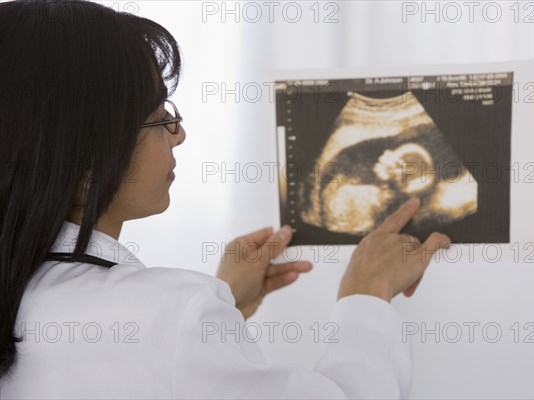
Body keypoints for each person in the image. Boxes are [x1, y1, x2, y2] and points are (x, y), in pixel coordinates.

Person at [0, 0, 452, 398]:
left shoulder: (30, 295)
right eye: (159, 119)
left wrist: (224, 308)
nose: (179, 134)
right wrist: (367, 293)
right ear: (83, 161)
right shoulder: (172, 312)